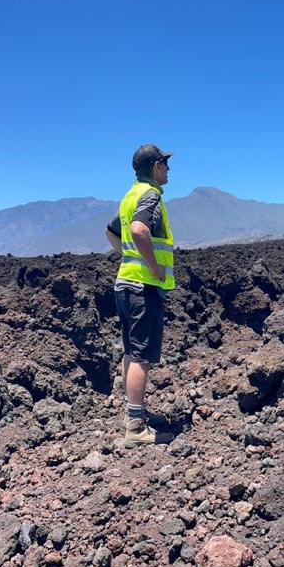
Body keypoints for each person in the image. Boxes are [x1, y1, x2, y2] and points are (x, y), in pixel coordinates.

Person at [104, 144, 178, 445]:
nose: (169, 170)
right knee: (142, 357)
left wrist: (129, 257)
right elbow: (138, 230)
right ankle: (135, 428)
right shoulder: (151, 195)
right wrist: (155, 268)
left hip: (125, 284)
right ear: (156, 166)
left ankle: (132, 413)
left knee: (131, 352)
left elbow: (111, 232)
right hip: (143, 286)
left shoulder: (129, 196)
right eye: (166, 164)